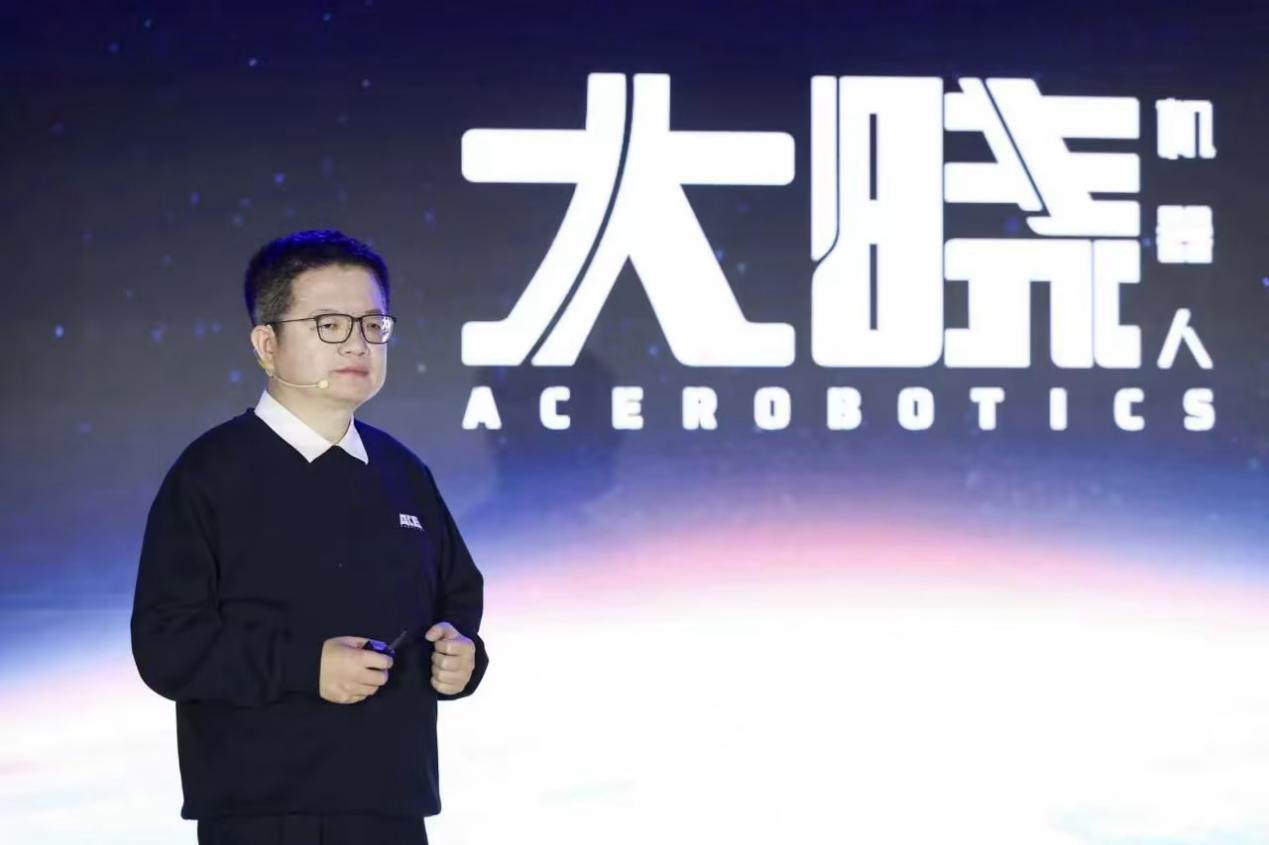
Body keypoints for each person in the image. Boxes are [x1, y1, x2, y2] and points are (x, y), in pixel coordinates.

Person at [130, 229, 489, 845]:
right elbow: (167, 644)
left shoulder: (403, 470)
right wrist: (305, 667)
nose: (357, 343)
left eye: (373, 324)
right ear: (267, 344)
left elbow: (456, 602)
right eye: (329, 324)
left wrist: (461, 658)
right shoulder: (212, 473)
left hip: (392, 806)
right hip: (265, 812)